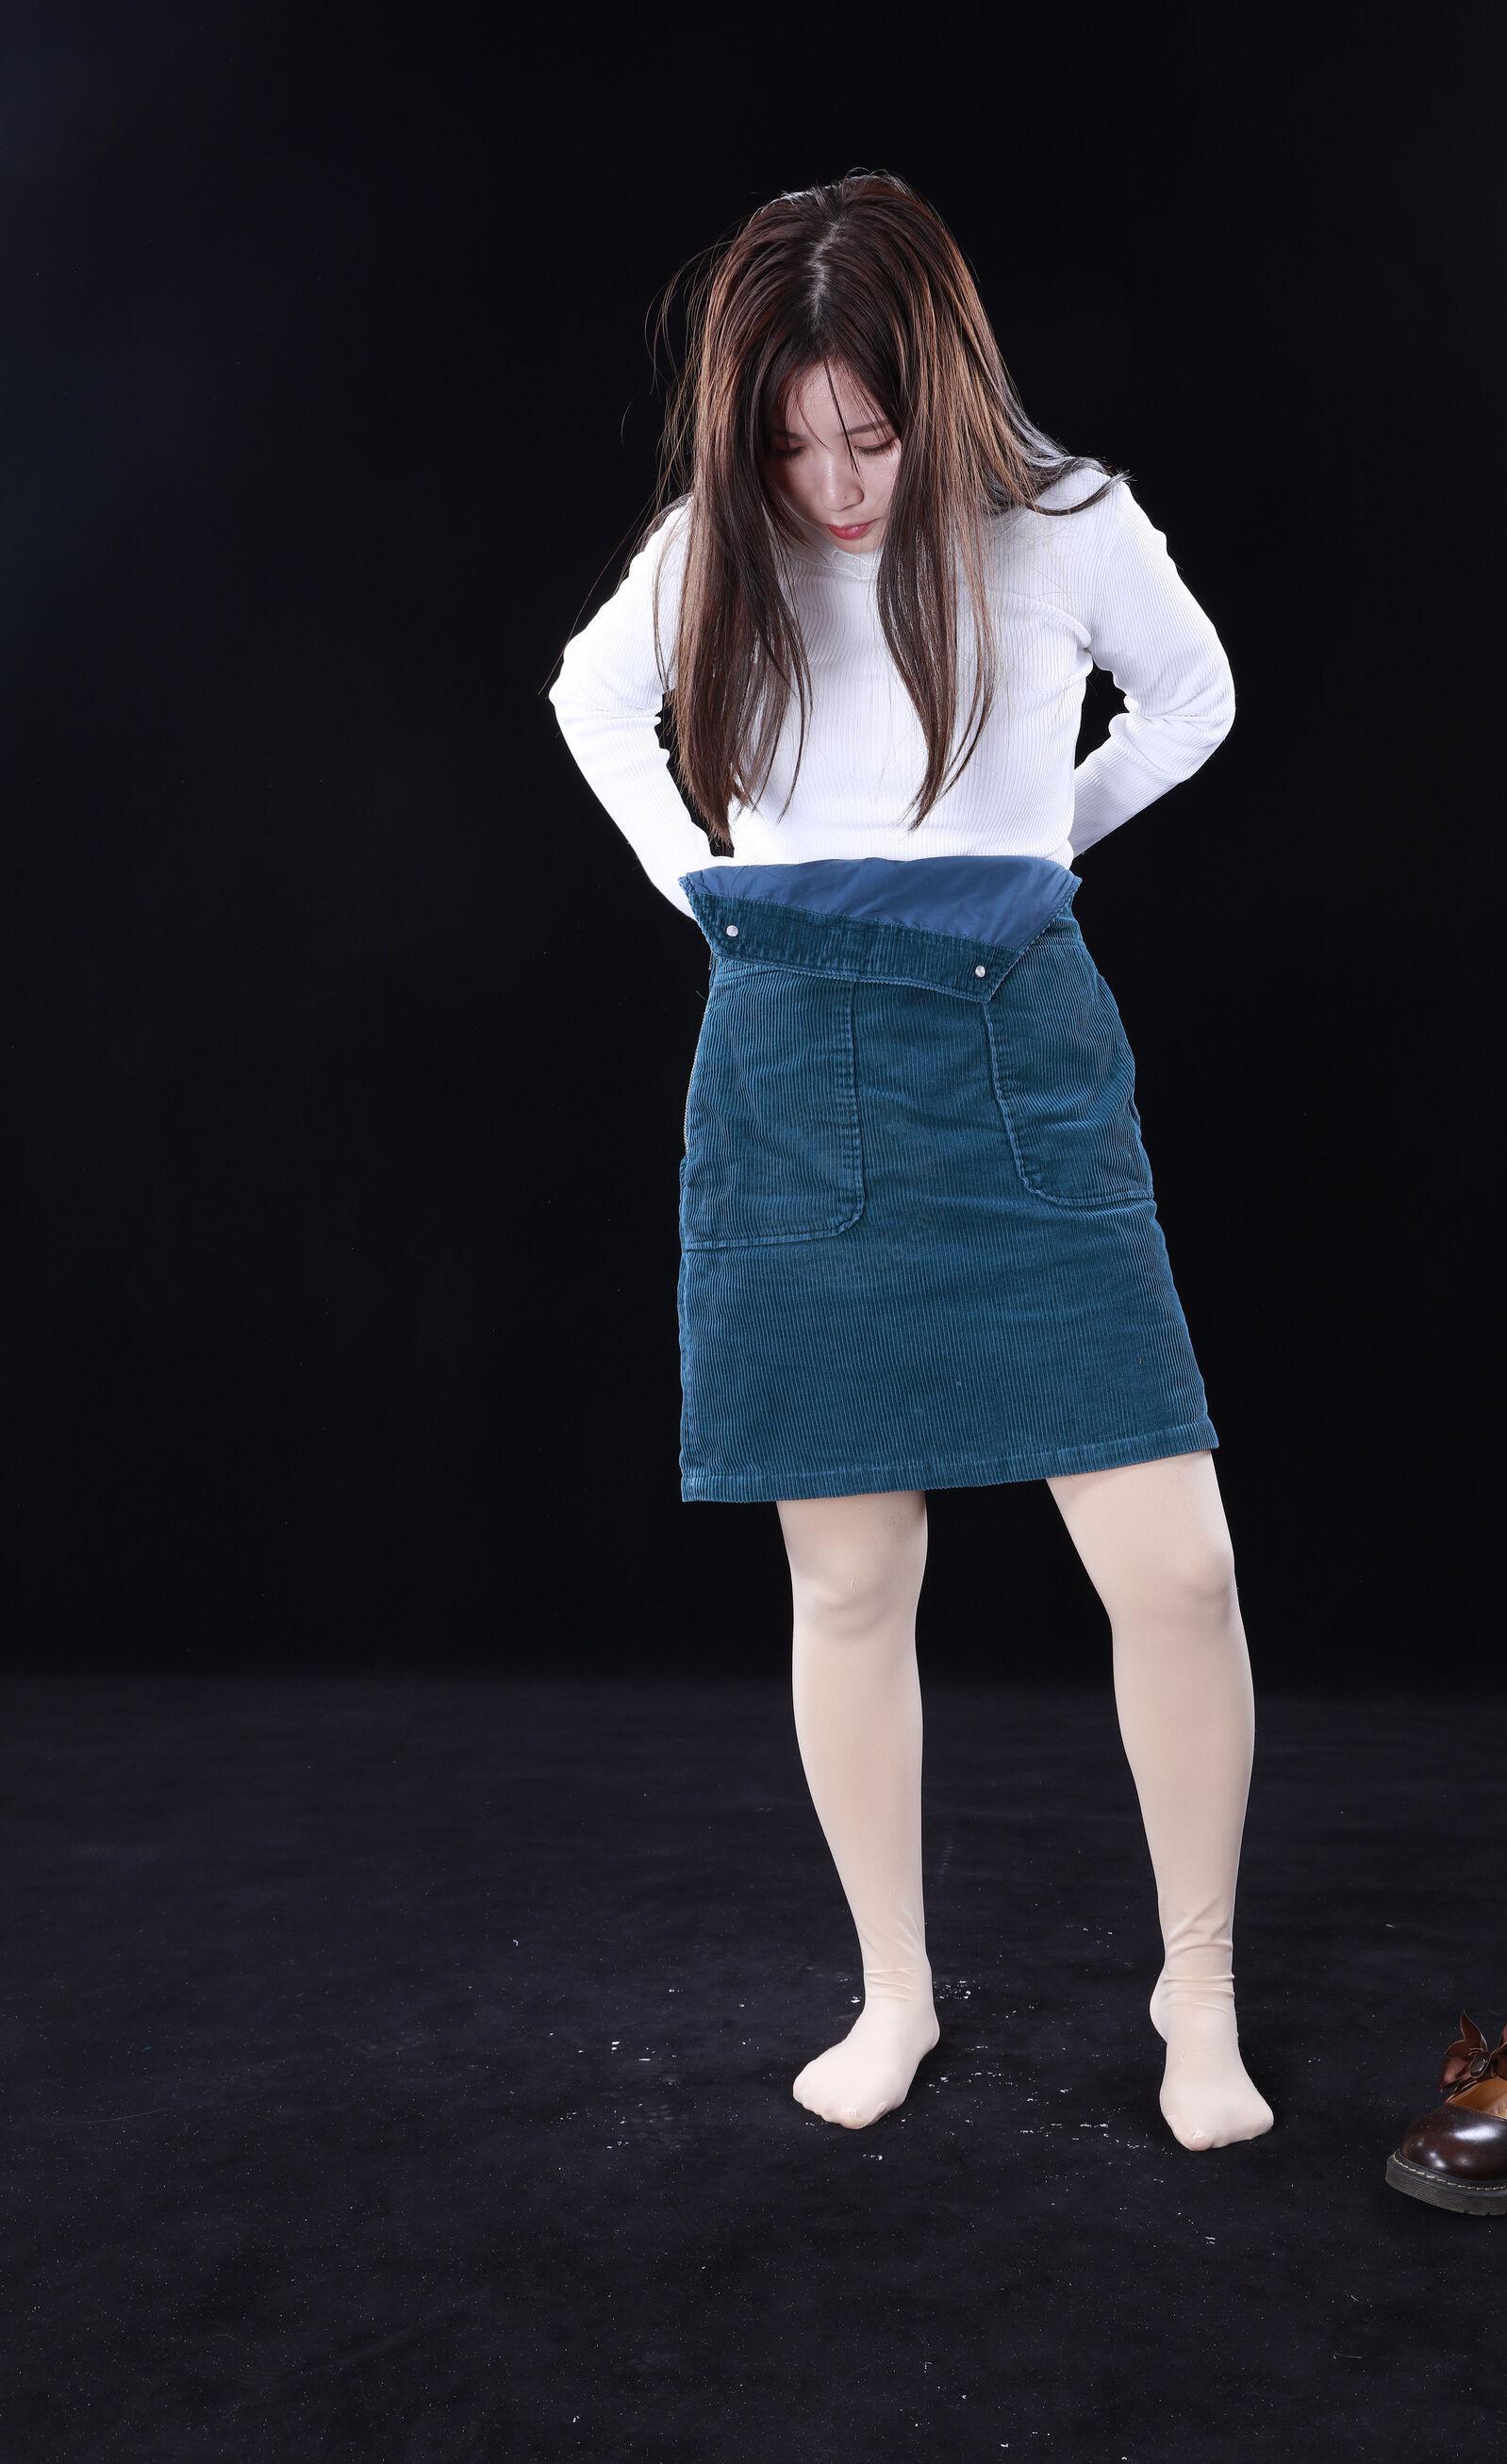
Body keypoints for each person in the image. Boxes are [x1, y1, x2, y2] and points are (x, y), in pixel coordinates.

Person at [547, 171, 1272, 2152]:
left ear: (936, 389)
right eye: (793, 447)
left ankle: (1197, 1990)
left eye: (866, 435)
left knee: (1180, 1565)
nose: (836, 486)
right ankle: (895, 1993)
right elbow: (590, 699)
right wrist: (708, 889)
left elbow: (1195, 700)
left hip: (1018, 1043)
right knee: (851, 1580)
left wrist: (1037, 847)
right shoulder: (719, 542)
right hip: (792, 1062)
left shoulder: (1068, 522)